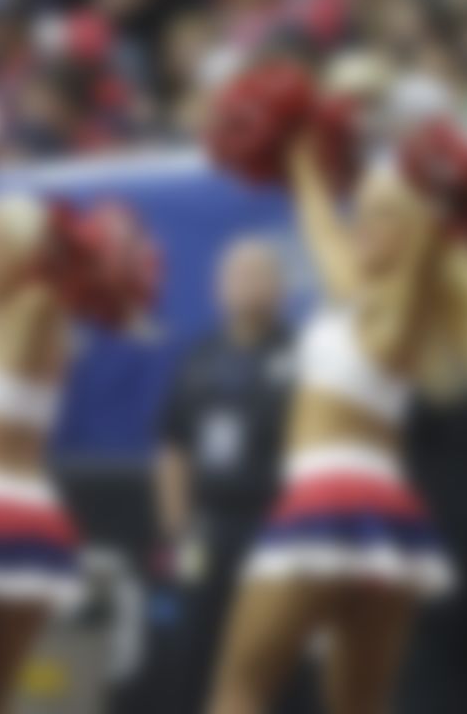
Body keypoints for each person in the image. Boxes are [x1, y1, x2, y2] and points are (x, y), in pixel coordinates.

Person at [206, 122, 467, 714]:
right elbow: (323, 232)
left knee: (241, 690)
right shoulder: (362, 295)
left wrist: (444, 201)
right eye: (361, 211)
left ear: (415, 231)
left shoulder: (402, 304)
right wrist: (303, 163)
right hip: (387, 516)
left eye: (381, 214)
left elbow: (377, 247)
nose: (362, 224)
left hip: (326, 498)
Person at [0, 195, 156, 714]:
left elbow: (60, 279)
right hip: (27, 519)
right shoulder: (3, 320)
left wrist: (71, 244)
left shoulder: (36, 308)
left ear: (31, 254)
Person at [152, 237, 312, 714]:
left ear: (282, 287)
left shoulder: (302, 356)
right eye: (235, 276)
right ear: (217, 288)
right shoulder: (198, 358)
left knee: (276, 653)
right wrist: (177, 529)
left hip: (274, 527)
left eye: (258, 274)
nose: (246, 286)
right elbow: (173, 446)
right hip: (209, 527)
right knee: (194, 645)